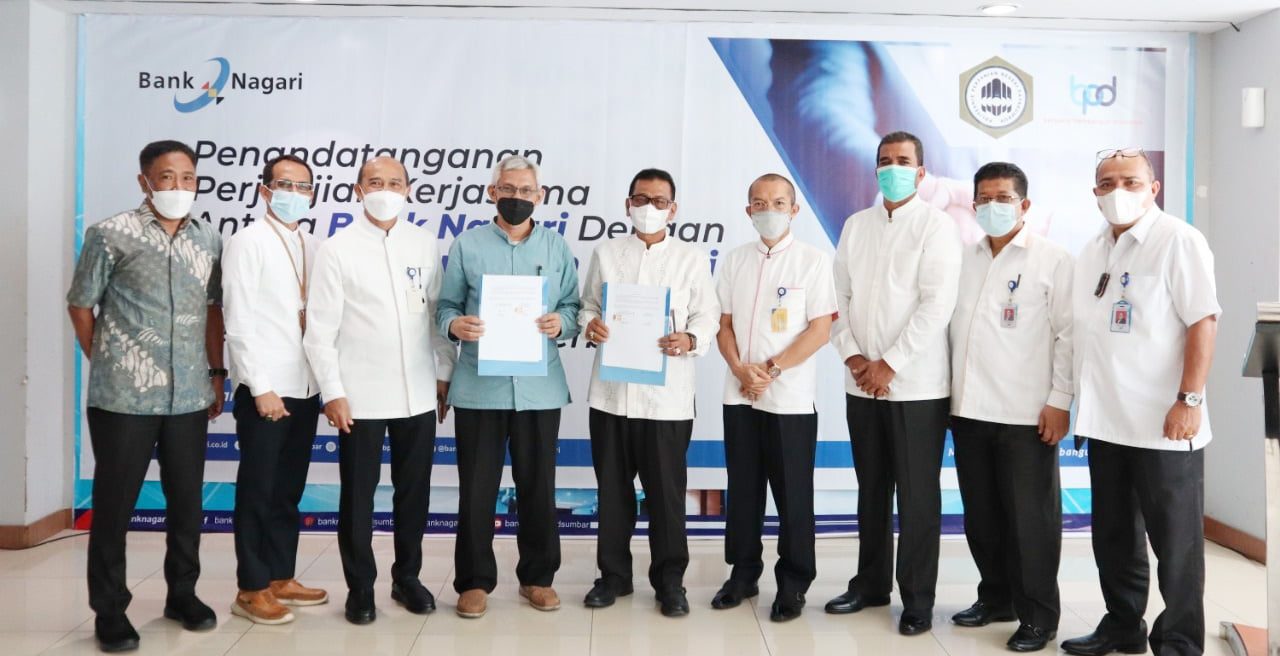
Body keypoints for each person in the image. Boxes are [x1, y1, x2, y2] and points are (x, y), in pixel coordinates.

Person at [66, 140, 224, 652]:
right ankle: (110, 610)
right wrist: (107, 359)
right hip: (123, 400)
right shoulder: (111, 233)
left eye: (188, 177)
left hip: (189, 396)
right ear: (145, 182)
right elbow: (80, 305)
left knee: (187, 504)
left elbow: (213, 310)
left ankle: (183, 594)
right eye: (167, 176)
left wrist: (216, 372)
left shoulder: (209, 239)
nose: (179, 186)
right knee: (115, 507)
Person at [1061, 148, 1219, 656]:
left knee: (1176, 544)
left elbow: (1203, 321)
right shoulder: (1092, 250)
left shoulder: (1178, 241)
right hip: (1106, 421)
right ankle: (1123, 625)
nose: (1118, 191)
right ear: (1095, 194)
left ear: (1154, 188)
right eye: (1107, 183)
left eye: (1130, 181)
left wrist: (1189, 399)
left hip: (1163, 423)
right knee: (1113, 537)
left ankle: (1179, 642)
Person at [303, 156, 456, 625]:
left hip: (417, 392)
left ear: (408, 190)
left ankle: (407, 578)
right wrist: (332, 391)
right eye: (374, 182)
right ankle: (360, 588)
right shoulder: (337, 249)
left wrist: (444, 372)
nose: (384, 190)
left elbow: (434, 315)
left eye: (394, 183)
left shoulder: (423, 243)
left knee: (414, 493)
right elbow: (319, 331)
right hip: (359, 395)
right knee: (358, 498)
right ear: (358, 190)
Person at [825, 131, 962, 636]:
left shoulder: (936, 226)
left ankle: (918, 599)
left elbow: (936, 305)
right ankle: (870, 584)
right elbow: (837, 298)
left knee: (918, 497)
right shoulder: (856, 225)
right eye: (885, 161)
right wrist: (854, 356)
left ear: (921, 173)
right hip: (861, 382)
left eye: (903, 161)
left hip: (917, 388)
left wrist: (891, 363)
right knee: (872, 490)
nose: (893, 168)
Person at [436, 155, 581, 619]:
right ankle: (474, 582)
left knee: (538, 487)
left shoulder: (556, 247)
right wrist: (455, 324)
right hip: (480, 387)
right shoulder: (468, 245)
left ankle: (537, 578)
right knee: (477, 490)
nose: (517, 197)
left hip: (539, 388)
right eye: (508, 189)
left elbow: (574, 307)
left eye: (526, 191)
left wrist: (562, 323)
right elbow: (444, 307)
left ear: (539, 196)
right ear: (492, 192)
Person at [579, 168, 720, 617]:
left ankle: (670, 583)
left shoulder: (690, 258)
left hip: (667, 400)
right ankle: (613, 577)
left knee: (666, 498)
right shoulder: (606, 253)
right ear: (627, 204)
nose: (649, 208)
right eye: (641, 199)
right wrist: (591, 324)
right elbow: (588, 305)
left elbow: (707, 315)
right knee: (612, 493)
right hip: (611, 397)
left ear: (673, 210)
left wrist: (691, 339)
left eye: (660, 201)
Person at [948, 162, 1073, 652]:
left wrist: (1059, 401)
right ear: (973, 205)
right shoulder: (963, 257)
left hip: (1026, 415)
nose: (992, 206)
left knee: (1030, 523)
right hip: (969, 410)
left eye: (1003, 198)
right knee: (981, 517)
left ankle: (1039, 616)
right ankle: (996, 598)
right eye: (984, 199)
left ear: (1024, 205)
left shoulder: (1053, 260)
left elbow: (1068, 336)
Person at [711, 173, 836, 623]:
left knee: (793, 496)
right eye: (760, 204)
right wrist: (739, 369)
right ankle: (743, 575)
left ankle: (793, 584)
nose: (769, 211)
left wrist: (771, 370)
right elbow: (723, 324)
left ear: (794, 210)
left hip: (789, 400)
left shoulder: (813, 261)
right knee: (744, 491)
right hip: (740, 394)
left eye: (779, 203)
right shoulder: (734, 260)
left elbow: (821, 329)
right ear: (748, 211)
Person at [223, 154, 328, 625]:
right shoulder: (247, 242)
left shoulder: (312, 244)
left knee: (288, 489)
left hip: (304, 385)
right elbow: (238, 320)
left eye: (304, 186)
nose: (295, 193)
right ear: (265, 190)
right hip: (266, 388)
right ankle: (251, 587)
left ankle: (281, 575)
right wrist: (260, 386)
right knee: (258, 489)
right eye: (285, 184)